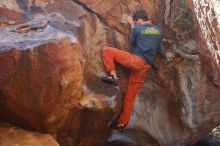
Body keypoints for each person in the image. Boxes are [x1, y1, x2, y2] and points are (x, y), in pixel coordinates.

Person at [101, 10, 175, 131]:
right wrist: (166, 54)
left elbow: (131, 41)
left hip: (136, 61)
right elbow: (160, 48)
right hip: (144, 67)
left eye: (136, 22)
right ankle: (122, 124)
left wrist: (132, 25)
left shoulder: (138, 28)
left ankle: (113, 76)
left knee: (106, 50)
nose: (136, 23)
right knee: (130, 97)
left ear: (139, 20)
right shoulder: (158, 31)